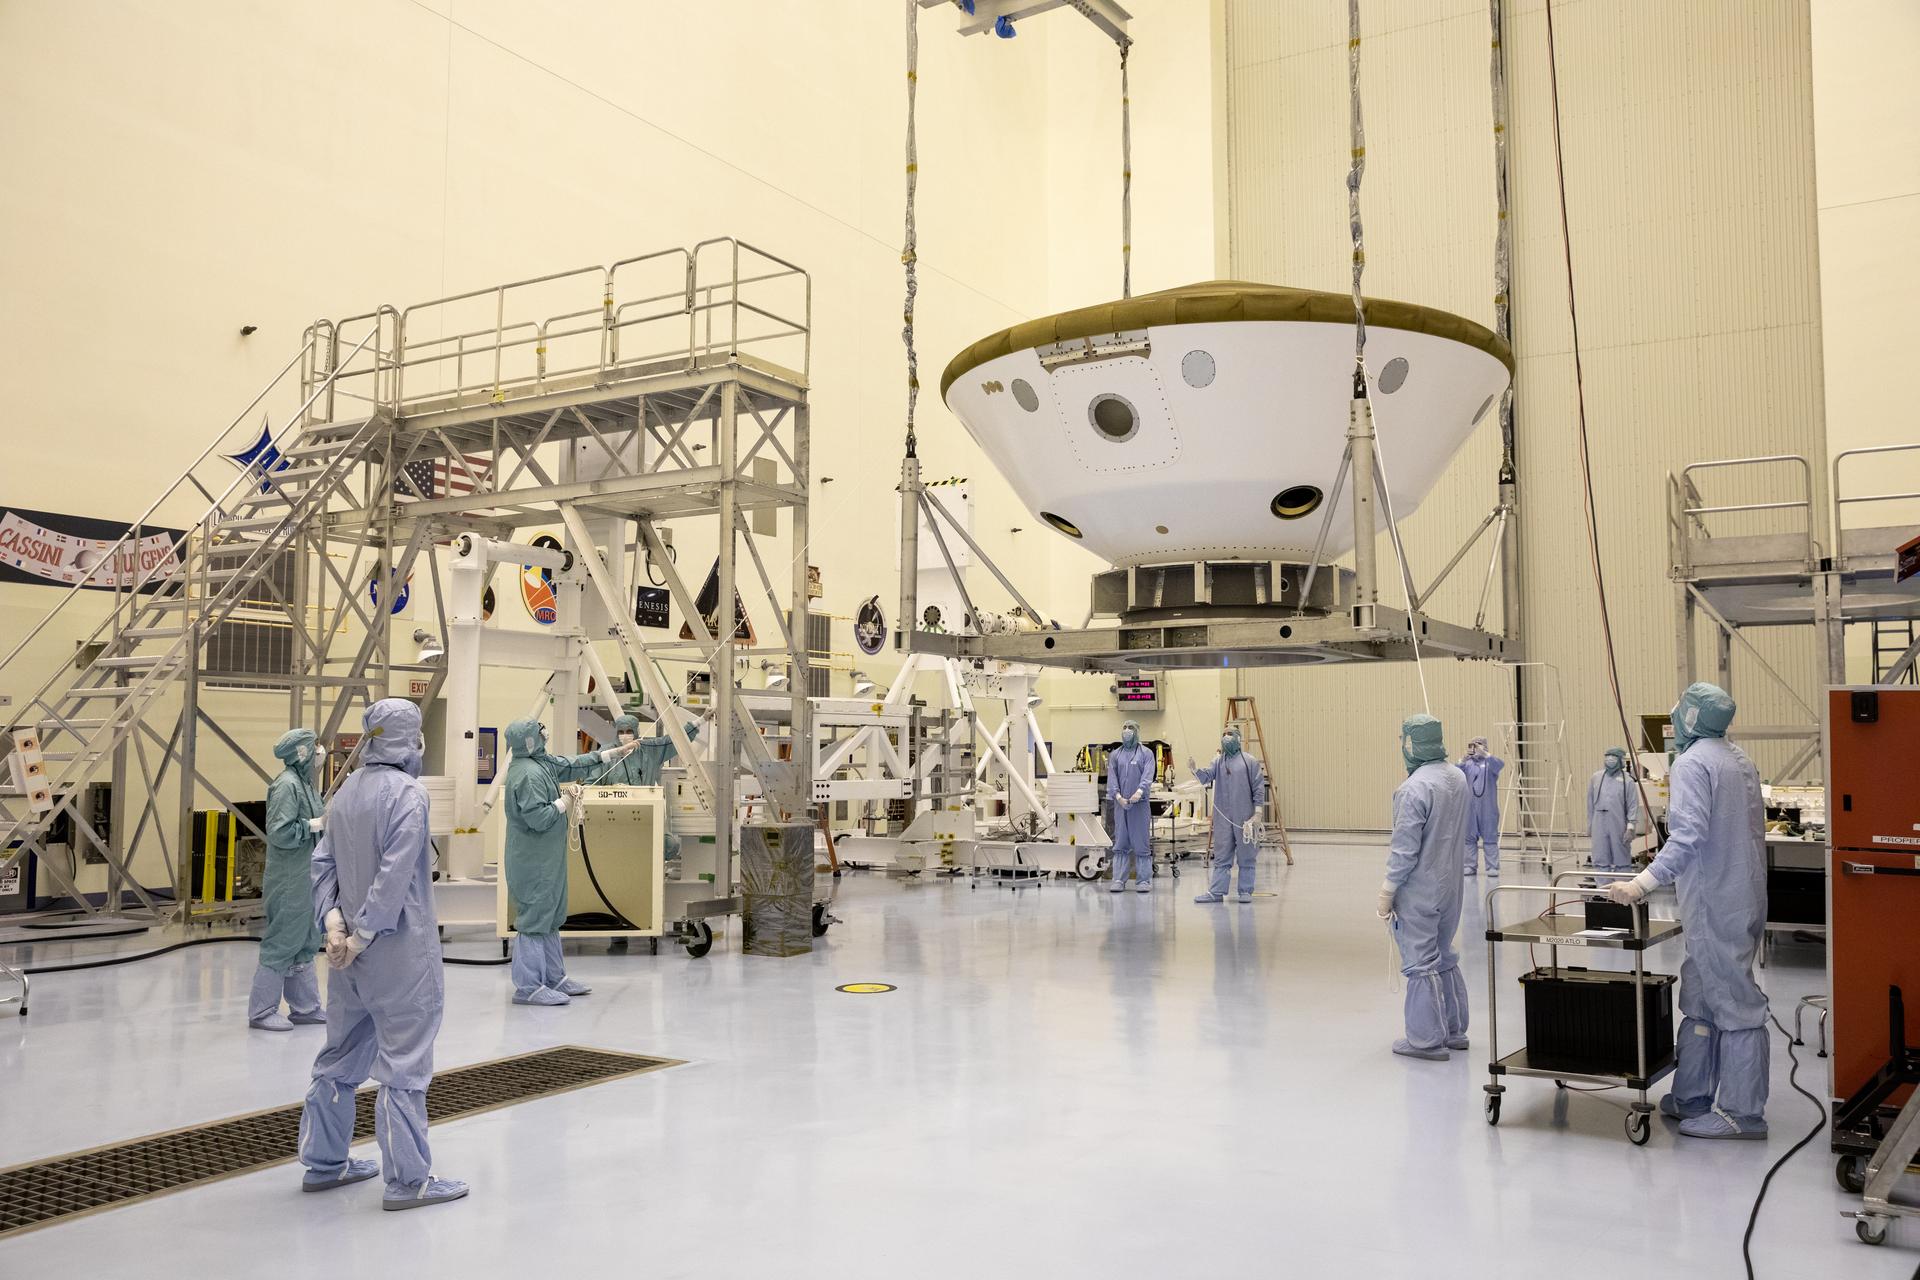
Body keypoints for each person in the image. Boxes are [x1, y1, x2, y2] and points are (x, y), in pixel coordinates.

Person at [299, 699, 467, 1210]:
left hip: (347, 956)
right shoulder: (408, 796)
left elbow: (321, 862)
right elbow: (394, 877)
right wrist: (365, 933)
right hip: (397, 952)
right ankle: (408, 1181)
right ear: (410, 740)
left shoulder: (346, 791)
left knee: (342, 1053)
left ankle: (324, 1163)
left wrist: (334, 926)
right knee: (404, 1064)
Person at [1607, 682, 1768, 1139]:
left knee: (1734, 1001)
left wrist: (1642, 883)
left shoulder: (1695, 763)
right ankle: (1692, 1094)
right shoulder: (1737, 758)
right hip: (1739, 892)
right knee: (1701, 994)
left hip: (1717, 898)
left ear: (1692, 717)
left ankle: (1743, 1112)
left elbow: (1688, 836)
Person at [503, 717, 638, 1005]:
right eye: (540, 732)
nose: (545, 734)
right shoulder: (527, 773)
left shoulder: (541, 763)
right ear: (530, 740)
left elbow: (571, 763)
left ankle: (554, 978)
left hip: (547, 857)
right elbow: (538, 818)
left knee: (551, 916)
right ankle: (528, 987)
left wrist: (608, 754)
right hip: (532, 860)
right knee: (535, 919)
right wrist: (564, 802)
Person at [1377, 714, 1472, 1061]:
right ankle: (1454, 1029)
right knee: (1444, 954)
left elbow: (1404, 849)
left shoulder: (1413, 788)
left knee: (1420, 961)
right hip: (1451, 886)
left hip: (1420, 888)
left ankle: (1425, 1039)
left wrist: (1387, 891)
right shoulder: (1457, 777)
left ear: (1412, 743)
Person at [248, 728, 327, 1032]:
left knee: (306, 940)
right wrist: (314, 824)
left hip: (306, 875)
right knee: (283, 941)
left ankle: (305, 1007)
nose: (320, 750)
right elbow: (280, 833)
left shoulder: (305, 784)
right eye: (315, 745)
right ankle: (261, 1010)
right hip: (290, 878)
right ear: (302, 752)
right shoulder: (286, 786)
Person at [600, 713, 699, 861]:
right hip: (613, 818)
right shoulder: (606, 753)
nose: (625, 735)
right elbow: (591, 782)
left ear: (636, 732)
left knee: (669, 845)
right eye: (621, 732)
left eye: (629, 731)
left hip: (645, 816)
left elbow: (673, 741)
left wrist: (699, 721)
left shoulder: (649, 750)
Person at [1189, 727, 1266, 904]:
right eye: (1223, 735)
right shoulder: (1218, 761)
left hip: (1244, 816)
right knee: (1222, 853)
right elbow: (1206, 777)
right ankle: (1216, 892)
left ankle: (1245, 891)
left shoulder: (1249, 761)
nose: (1226, 737)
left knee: (1247, 853)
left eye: (1230, 734)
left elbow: (1258, 787)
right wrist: (1195, 770)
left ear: (1238, 739)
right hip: (1223, 816)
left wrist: (1258, 812)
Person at [1105, 720, 1156, 894]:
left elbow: (1148, 775)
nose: (1127, 731)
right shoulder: (1116, 755)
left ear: (1137, 731)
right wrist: (1117, 796)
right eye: (1124, 727)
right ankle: (1119, 879)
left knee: (1141, 842)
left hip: (1139, 806)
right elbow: (1112, 777)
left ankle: (1143, 880)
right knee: (1121, 841)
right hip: (1120, 806)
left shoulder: (1146, 754)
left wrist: (1140, 792)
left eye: (1131, 728)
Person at [1587, 747, 1639, 873]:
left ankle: (1621, 889)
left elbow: (1633, 804)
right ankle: (1604, 890)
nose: (1610, 759)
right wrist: (1589, 825)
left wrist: (1631, 827)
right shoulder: (1596, 777)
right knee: (1600, 857)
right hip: (1598, 822)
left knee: (1621, 857)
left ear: (1621, 759)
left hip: (1618, 823)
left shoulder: (1628, 780)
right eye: (1608, 755)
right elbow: (1589, 803)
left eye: (1614, 756)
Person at [1459, 736, 1504, 877]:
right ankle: (1469, 866)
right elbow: (1454, 772)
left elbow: (1500, 765)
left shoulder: (1490, 763)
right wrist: (1462, 760)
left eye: (1478, 745)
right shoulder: (1468, 764)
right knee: (1469, 837)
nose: (1476, 748)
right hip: (1469, 808)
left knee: (1490, 836)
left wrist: (1486, 754)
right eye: (1473, 745)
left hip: (1487, 808)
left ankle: (1492, 867)